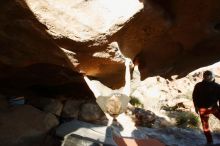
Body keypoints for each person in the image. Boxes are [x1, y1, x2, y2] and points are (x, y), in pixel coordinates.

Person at [84, 58, 132, 127]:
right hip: (119, 92)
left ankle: (95, 79)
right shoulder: (124, 100)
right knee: (134, 84)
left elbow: (94, 89)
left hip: (108, 94)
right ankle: (136, 65)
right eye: (114, 99)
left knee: (95, 83)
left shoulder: (104, 103)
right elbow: (128, 82)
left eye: (112, 99)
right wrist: (127, 65)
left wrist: (84, 77)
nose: (113, 97)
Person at [192, 70, 220, 144]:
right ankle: (209, 141)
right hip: (203, 108)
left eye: (208, 75)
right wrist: (196, 106)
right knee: (205, 127)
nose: (207, 77)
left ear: (212, 76)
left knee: (205, 127)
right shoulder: (198, 85)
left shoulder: (217, 86)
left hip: (214, 108)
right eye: (206, 76)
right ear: (203, 77)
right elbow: (195, 97)